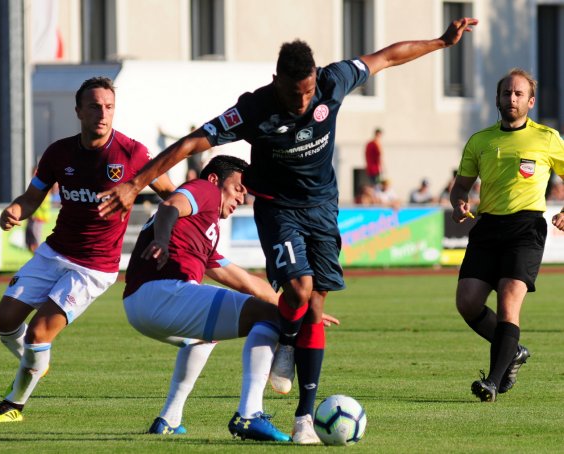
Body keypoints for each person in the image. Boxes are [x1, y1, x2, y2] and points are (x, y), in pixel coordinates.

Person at [97, 17, 478, 443]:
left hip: (323, 208)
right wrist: (134, 184)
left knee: (314, 303)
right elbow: (189, 144)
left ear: (316, 78)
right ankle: (280, 350)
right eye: (294, 93)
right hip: (280, 210)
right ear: (276, 80)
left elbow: (387, 56)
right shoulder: (253, 109)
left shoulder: (334, 81)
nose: (301, 103)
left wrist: (442, 42)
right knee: (297, 290)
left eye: (308, 92)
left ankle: (303, 419)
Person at [0, 76, 176, 423]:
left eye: (109, 107)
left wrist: (170, 235)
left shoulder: (132, 153)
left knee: (40, 332)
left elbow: (171, 196)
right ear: (78, 112)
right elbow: (32, 198)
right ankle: (36, 362)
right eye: (94, 106)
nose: (102, 114)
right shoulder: (59, 153)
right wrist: (15, 210)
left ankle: (14, 404)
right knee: (4, 322)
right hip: (54, 252)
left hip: (94, 266)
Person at [123, 155, 293, 442]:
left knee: (205, 335)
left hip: (139, 306)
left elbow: (246, 281)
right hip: (163, 294)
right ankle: (249, 415)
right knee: (266, 317)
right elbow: (167, 208)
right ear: (215, 179)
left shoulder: (202, 231)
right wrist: (162, 241)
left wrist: (296, 308)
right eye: (239, 188)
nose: (243, 196)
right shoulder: (205, 189)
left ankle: (169, 419)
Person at [450, 68, 564, 403]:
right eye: (506, 93)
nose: (511, 99)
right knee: (467, 302)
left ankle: (493, 383)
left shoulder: (547, 137)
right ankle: (512, 351)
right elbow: (461, 185)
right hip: (487, 227)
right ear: (497, 99)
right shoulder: (481, 140)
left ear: (530, 101)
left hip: (526, 227)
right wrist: (459, 202)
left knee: (508, 298)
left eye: (518, 94)